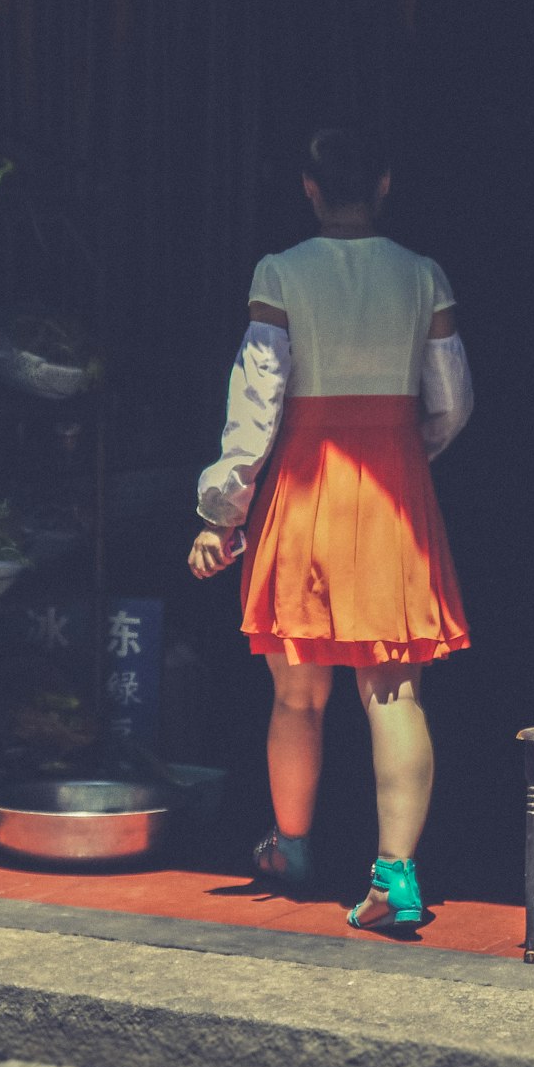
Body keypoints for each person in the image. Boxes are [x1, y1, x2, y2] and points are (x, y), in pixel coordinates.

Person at [188, 128, 473, 931]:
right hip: (392, 493)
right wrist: (406, 447)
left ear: (309, 188)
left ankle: (292, 849)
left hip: (305, 491)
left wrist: (221, 512)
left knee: (297, 692)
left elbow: (257, 404)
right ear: (383, 183)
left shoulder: (280, 274)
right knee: (396, 691)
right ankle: (397, 879)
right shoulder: (424, 277)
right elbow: (451, 399)